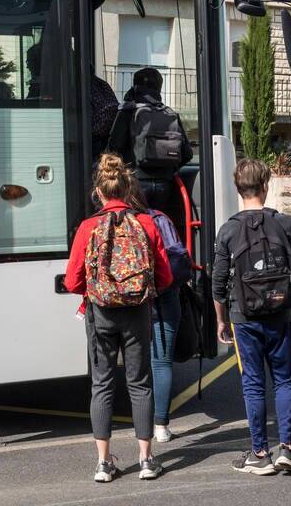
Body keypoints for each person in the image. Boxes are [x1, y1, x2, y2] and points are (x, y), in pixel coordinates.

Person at [64, 154, 173, 483]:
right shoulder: (146, 224)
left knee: (102, 384)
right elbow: (165, 277)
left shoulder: (87, 228)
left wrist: (97, 290)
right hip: (138, 312)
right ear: (128, 189)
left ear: (99, 191)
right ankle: (146, 459)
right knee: (140, 383)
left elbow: (72, 281)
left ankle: (103, 463)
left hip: (101, 315)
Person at [211, 158, 291, 475]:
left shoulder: (229, 230)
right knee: (285, 379)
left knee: (253, 384)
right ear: (266, 186)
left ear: (238, 189)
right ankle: (288, 449)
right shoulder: (286, 224)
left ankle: (259, 453)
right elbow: (289, 264)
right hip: (279, 312)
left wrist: (221, 320)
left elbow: (218, 283)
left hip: (244, 315)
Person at [127, 181, 184, 444]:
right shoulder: (160, 219)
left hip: (129, 303)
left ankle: (141, 426)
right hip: (164, 298)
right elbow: (179, 259)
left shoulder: (118, 223)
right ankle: (160, 425)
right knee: (161, 363)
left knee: (136, 366)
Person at [107, 67, 193, 212]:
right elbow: (187, 154)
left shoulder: (129, 111)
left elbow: (114, 147)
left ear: (135, 86)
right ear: (159, 88)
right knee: (157, 223)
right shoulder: (169, 113)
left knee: (138, 227)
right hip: (165, 184)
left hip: (135, 182)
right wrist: (167, 168)